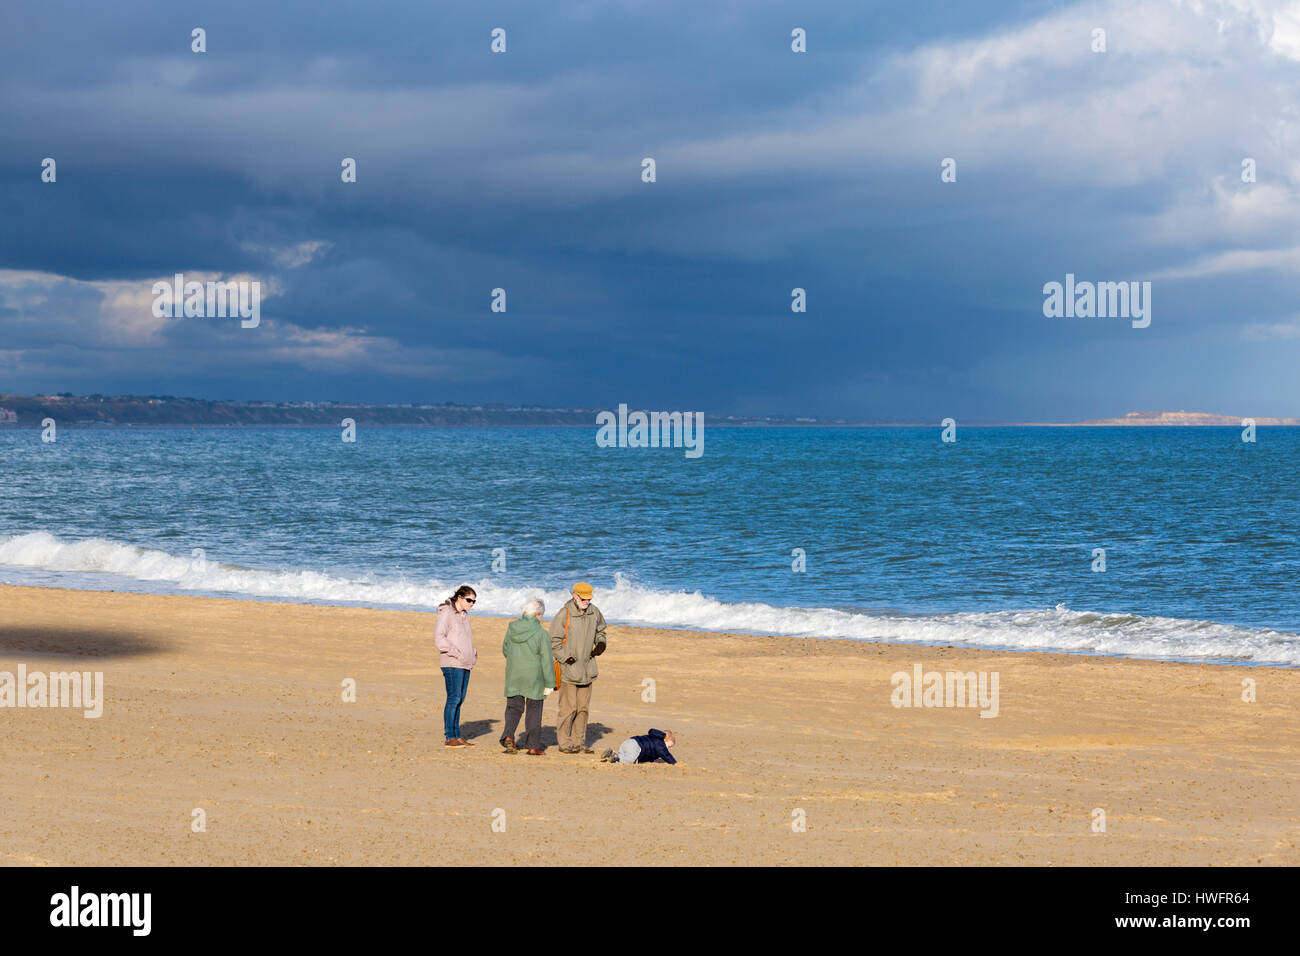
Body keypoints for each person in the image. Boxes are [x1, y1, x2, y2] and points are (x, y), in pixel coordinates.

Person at [548, 581, 607, 754]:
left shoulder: (594, 612)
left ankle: (578, 742)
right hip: (568, 669)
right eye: (584, 598)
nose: (587, 601)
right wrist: (566, 658)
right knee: (568, 708)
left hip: (588, 669)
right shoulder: (564, 613)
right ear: (575, 596)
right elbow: (553, 641)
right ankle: (565, 743)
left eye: (589, 598)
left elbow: (601, 630)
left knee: (582, 709)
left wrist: (601, 643)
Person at [500, 597, 555, 756]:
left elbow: (505, 650)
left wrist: (516, 662)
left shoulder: (512, 628)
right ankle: (533, 746)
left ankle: (509, 735)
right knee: (534, 710)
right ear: (538, 615)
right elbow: (546, 661)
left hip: (514, 674)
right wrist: (550, 683)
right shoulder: (541, 633)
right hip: (534, 677)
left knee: (513, 708)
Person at [435, 585, 478, 747]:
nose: (471, 603)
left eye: (474, 601)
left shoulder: (464, 615)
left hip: (466, 664)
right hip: (452, 663)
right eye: (469, 600)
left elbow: (466, 639)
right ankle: (449, 736)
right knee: (453, 698)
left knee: (460, 700)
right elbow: (439, 638)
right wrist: (456, 653)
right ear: (459, 597)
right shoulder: (446, 613)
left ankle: (457, 736)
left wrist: (473, 654)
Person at [600, 729, 677, 765]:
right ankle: (616, 759)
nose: (667, 749)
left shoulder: (653, 738)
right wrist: (674, 762)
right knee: (629, 761)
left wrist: (651, 761)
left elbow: (650, 752)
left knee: (624, 755)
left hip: (629, 742)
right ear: (665, 740)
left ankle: (612, 753)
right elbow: (665, 754)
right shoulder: (660, 743)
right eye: (668, 746)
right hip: (636, 746)